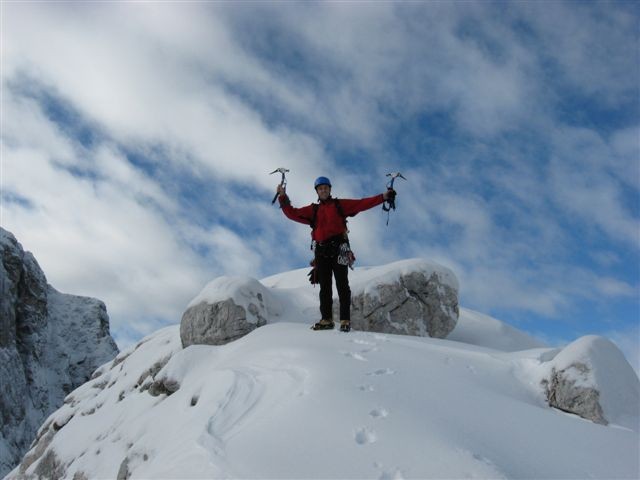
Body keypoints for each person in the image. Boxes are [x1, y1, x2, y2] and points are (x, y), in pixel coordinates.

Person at [277, 176, 396, 332]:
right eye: (320, 188)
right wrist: (282, 197)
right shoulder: (313, 210)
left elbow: (361, 204)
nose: (323, 190)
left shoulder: (340, 205)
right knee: (325, 287)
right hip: (321, 251)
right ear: (317, 192)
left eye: (326, 188)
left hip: (340, 248)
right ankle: (326, 320)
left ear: (330, 189)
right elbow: (292, 213)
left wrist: (384, 197)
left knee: (342, 285)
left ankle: (345, 320)